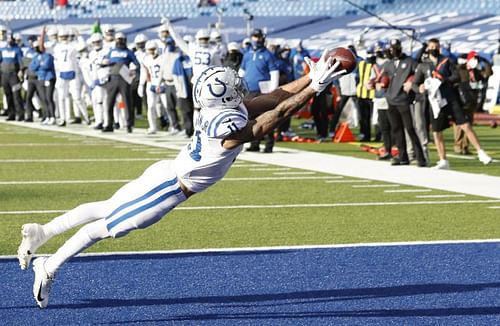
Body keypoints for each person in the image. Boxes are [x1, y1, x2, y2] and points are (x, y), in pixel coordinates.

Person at [17, 50, 346, 309]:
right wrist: (315, 89)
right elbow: (272, 119)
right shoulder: (227, 124)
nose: (239, 90)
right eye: (233, 89)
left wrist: (310, 77)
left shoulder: (220, 109)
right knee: (106, 226)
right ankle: (49, 264)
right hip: (172, 186)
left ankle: (44, 232)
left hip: (168, 168)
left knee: (106, 207)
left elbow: (275, 96)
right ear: (224, 98)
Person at [412, 38, 492, 169]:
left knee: (465, 124)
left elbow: (456, 76)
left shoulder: (446, 61)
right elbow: (416, 83)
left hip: (449, 98)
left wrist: (443, 80)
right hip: (435, 102)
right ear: (427, 48)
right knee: (436, 131)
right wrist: (419, 88)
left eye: (436, 47)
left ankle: (481, 152)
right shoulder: (423, 65)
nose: (434, 49)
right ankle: (443, 159)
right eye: (431, 47)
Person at [383, 38, 426, 167]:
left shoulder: (409, 61)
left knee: (410, 129)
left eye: (395, 48)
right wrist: (375, 83)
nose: (393, 51)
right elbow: (384, 77)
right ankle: (403, 157)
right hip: (391, 99)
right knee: (396, 129)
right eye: (391, 48)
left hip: (404, 100)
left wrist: (412, 81)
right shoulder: (389, 64)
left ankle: (420, 158)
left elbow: (419, 72)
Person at [239, 28, 279, 153]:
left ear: (263, 38)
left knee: (267, 117)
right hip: (249, 91)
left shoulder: (268, 54)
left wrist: (273, 90)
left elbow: (274, 72)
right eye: (254, 36)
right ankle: (254, 143)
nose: (256, 39)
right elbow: (242, 72)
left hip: (263, 91)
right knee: (251, 118)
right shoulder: (247, 54)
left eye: (258, 36)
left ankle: (269, 144)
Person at [454, 51, 492, 155]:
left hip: (472, 100)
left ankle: (465, 146)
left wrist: (485, 61)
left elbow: (488, 74)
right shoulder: (461, 69)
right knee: (460, 124)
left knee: (469, 123)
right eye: (474, 58)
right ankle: (458, 145)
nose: (475, 61)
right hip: (461, 99)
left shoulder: (477, 71)